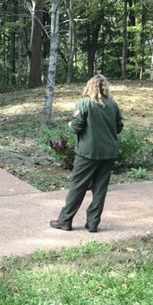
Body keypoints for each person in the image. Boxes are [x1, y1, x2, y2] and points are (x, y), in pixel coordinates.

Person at [50, 75, 124, 233]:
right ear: (105, 87)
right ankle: (93, 223)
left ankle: (65, 220)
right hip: (108, 152)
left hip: (87, 152)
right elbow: (119, 127)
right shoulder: (113, 105)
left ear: (89, 87)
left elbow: (76, 127)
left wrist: (71, 124)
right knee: (100, 188)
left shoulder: (84, 104)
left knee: (78, 186)